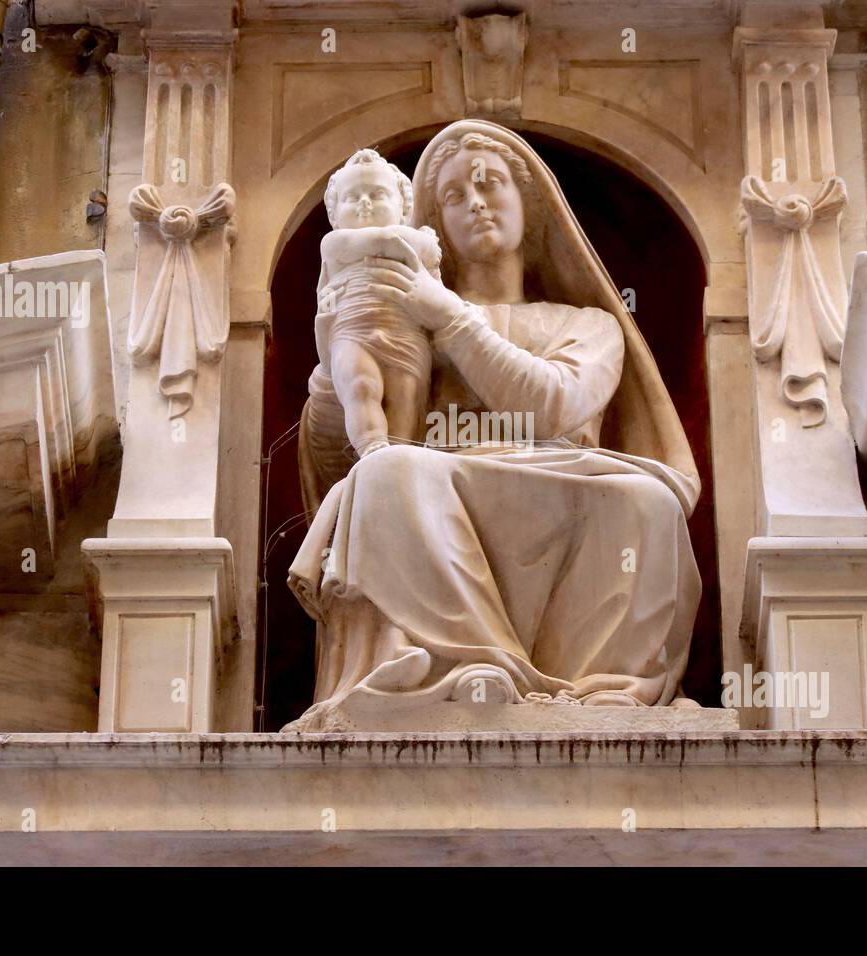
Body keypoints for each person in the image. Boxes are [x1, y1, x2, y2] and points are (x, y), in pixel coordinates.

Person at [288, 121, 703, 729]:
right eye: (453, 196)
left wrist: (453, 321)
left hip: (565, 477)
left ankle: (594, 691)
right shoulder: (407, 313)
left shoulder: (589, 323)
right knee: (385, 473)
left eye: (490, 184)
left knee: (646, 503)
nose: (475, 202)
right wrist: (335, 364)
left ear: (530, 204)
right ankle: (471, 667)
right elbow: (335, 457)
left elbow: (555, 405)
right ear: (432, 223)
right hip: (442, 480)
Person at [316, 148, 442, 458]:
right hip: (352, 330)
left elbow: (438, 294)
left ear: (404, 209)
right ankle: (372, 450)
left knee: (405, 400)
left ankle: (398, 462)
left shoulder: (414, 240)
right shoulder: (333, 243)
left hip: (407, 335)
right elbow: (388, 242)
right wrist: (418, 240)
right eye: (352, 197)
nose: (364, 202)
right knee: (359, 385)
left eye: (377, 194)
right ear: (333, 215)